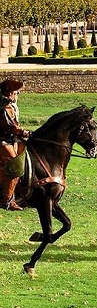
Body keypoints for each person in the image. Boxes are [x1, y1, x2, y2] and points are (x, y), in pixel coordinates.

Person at [1, 79, 30, 211]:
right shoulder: (5, 107)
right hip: (3, 141)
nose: (18, 94)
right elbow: (12, 127)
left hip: (11, 140)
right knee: (16, 167)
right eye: (16, 92)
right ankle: (7, 200)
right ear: (10, 93)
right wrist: (25, 132)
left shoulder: (11, 105)